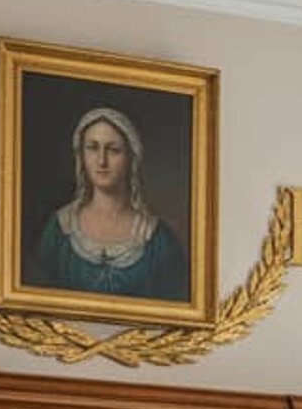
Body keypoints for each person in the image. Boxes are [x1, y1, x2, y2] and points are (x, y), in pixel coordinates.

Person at [28, 105, 189, 301]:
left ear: (131, 158)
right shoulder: (60, 230)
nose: (101, 161)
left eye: (114, 150)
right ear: (81, 156)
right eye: (93, 148)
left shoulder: (157, 239)